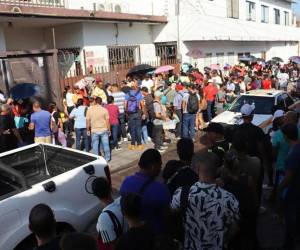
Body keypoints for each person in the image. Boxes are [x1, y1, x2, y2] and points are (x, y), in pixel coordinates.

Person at [171, 152, 239, 250]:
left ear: (197, 170)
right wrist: (221, 240)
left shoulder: (182, 193)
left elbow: (171, 212)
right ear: (218, 170)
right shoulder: (229, 198)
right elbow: (235, 228)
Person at [120, 149, 171, 234]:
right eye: (160, 165)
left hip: (133, 234)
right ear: (153, 166)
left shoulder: (126, 182)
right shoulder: (161, 189)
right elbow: (167, 215)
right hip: (154, 236)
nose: (160, 169)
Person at [218, 150, 259, 250]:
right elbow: (254, 196)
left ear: (226, 168)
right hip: (248, 211)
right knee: (250, 236)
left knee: (236, 241)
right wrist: (256, 207)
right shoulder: (248, 180)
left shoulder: (222, 183)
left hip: (233, 215)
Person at [279, 123, 300, 249]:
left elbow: (288, 178)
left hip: (294, 190)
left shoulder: (292, 155)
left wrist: (279, 188)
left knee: (291, 218)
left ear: (286, 136)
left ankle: (289, 244)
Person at [92, 177, 128, 250]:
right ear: (110, 189)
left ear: (96, 195)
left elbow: (112, 246)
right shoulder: (122, 200)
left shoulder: (104, 219)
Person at [86, 97, 111, 162]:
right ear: (101, 102)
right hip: (104, 129)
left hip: (94, 130)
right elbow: (107, 121)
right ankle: (107, 158)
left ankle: (96, 159)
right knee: (106, 144)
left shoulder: (90, 110)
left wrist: (88, 129)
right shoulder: (104, 110)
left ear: (95, 102)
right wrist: (109, 130)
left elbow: (87, 121)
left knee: (95, 146)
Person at [125, 80, 144, 150]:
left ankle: (132, 144)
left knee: (132, 129)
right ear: (135, 87)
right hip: (138, 112)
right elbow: (142, 104)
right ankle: (139, 144)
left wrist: (127, 112)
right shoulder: (139, 94)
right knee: (138, 129)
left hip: (130, 113)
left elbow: (125, 104)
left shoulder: (127, 94)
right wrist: (143, 113)